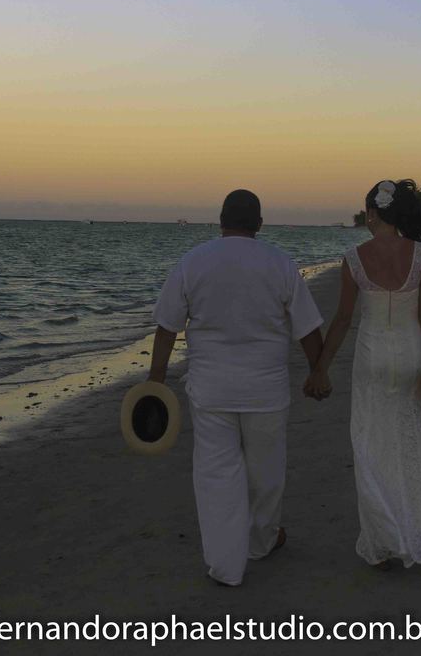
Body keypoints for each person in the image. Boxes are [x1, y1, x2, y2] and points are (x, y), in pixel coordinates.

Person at [148, 189, 325, 587]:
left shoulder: (194, 261)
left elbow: (167, 326)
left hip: (210, 390)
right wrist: (318, 372)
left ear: (220, 221)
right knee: (266, 473)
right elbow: (308, 328)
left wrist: (155, 381)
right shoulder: (279, 263)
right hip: (266, 391)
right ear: (259, 224)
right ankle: (261, 542)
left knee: (215, 474)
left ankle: (225, 564)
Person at [305, 179, 421, 569]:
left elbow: (343, 319)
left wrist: (320, 368)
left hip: (371, 357)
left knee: (369, 445)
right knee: (408, 442)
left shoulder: (354, 258)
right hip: (410, 355)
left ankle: (387, 536)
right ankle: (419, 526)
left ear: (373, 214)